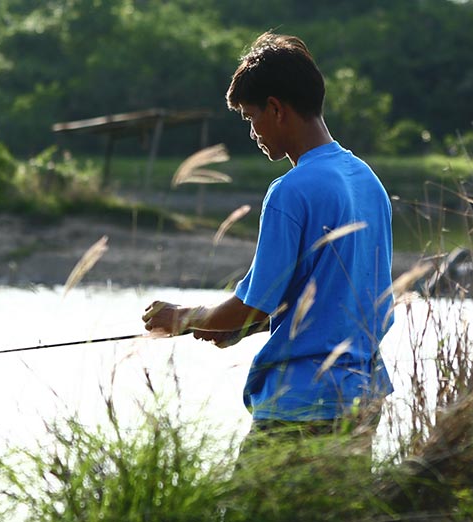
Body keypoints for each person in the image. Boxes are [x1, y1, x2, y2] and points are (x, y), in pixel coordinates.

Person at [142, 33, 394, 441]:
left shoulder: (290, 191)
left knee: (246, 508)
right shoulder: (368, 181)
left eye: (249, 116)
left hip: (300, 408)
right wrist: (244, 326)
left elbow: (251, 304)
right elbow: (332, 305)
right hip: (362, 399)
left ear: (276, 109)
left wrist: (182, 318)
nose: (252, 130)